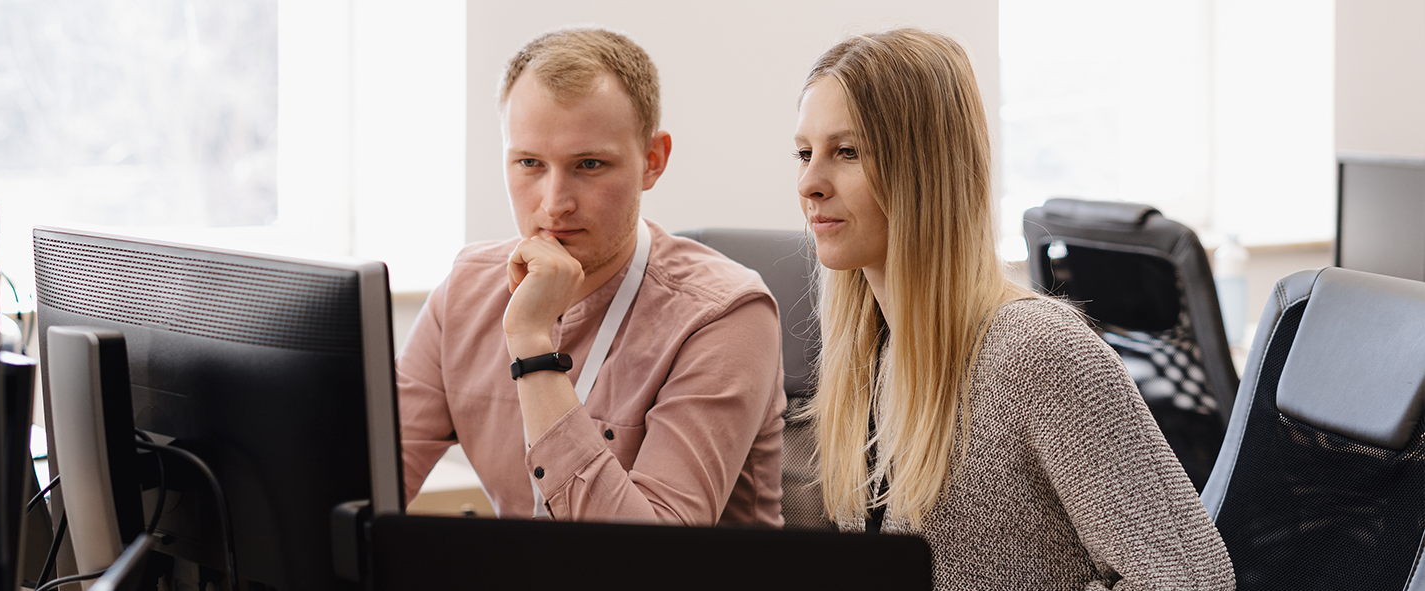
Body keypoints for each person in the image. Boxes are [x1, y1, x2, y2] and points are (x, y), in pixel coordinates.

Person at [793, 29, 1235, 588]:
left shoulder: (1036, 354)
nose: (809, 182)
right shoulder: (871, 352)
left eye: (847, 152)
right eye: (805, 153)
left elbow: (1192, 579)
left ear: (924, 170)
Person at [395, 27, 785, 526]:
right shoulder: (465, 292)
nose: (555, 203)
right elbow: (362, 483)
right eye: (529, 163)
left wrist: (533, 345)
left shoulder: (729, 315)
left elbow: (645, 564)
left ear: (652, 160)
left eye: (589, 164)